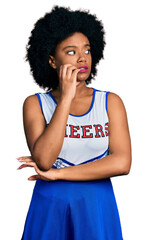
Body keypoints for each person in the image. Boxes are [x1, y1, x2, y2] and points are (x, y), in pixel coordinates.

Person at [17, 5, 132, 240]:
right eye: (71, 51)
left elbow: (122, 163)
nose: (82, 58)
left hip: (97, 206)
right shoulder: (35, 104)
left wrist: (60, 174)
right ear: (51, 60)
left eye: (87, 50)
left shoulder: (110, 102)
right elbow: (45, 160)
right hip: (50, 207)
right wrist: (67, 97)